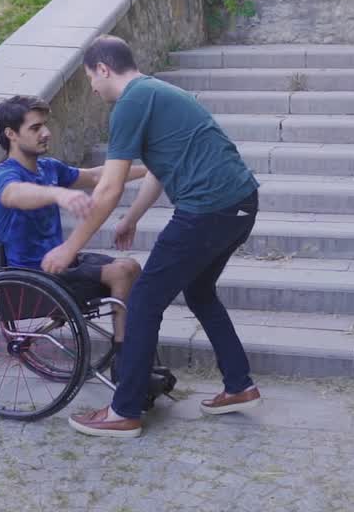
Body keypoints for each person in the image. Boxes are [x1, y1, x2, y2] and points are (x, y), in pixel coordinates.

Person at [41, 35, 263, 438]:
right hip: (241, 203)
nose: (91, 87)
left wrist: (70, 247)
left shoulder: (130, 103)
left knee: (143, 299)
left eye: (90, 77)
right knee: (199, 292)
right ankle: (239, 384)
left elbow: (106, 188)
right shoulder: (159, 92)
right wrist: (131, 217)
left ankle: (123, 411)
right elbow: (162, 169)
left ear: (103, 69)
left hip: (209, 208)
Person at [0, 95, 146, 351]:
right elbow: (13, 194)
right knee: (121, 271)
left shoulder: (48, 167)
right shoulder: (5, 174)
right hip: (33, 275)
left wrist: (149, 170)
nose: (46, 133)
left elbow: (96, 176)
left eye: (45, 125)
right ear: (11, 134)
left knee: (131, 266)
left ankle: (129, 345)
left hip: (62, 265)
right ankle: (124, 354)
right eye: (35, 128)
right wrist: (57, 193)